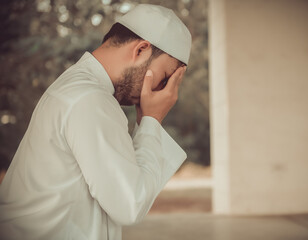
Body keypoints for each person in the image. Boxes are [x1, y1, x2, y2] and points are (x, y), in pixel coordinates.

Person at [0, 4, 191, 240]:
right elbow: (129, 204)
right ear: (141, 50)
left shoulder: (81, 88)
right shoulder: (90, 98)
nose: (162, 92)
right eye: (164, 79)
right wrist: (152, 120)